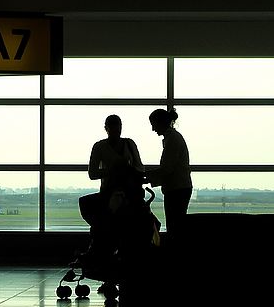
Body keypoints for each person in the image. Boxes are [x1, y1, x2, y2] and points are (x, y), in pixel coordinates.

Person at [76, 115, 145, 263]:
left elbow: (139, 168)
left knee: (104, 222)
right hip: (115, 193)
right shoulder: (112, 146)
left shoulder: (120, 145)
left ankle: (101, 252)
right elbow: (92, 173)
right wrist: (118, 171)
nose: (116, 131)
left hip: (119, 193)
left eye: (117, 127)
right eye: (113, 128)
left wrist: (117, 171)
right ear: (106, 129)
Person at [145, 108, 193, 237]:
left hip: (177, 189)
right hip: (180, 187)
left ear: (160, 123)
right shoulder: (173, 138)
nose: (153, 129)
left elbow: (167, 169)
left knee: (174, 226)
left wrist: (146, 177)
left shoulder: (172, 140)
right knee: (176, 224)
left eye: (153, 125)